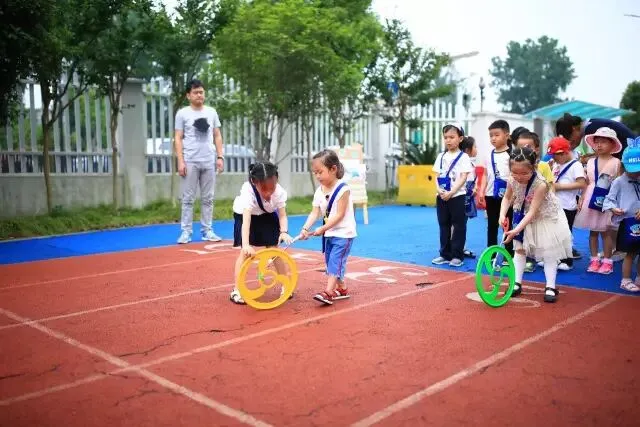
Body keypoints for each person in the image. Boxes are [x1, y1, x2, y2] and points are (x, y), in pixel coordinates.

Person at [500, 147, 573, 303]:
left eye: (524, 173)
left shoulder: (541, 184)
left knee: (548, 252)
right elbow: (507, 198)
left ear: (534, 167)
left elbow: (533, 211)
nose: (519, 177)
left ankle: (550, 286)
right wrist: (502, 214)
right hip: (522, 213)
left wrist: (516, 229)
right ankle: (516, 283)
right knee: (519, 249)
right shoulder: (512, 179)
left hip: (544, 217)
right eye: (515, 172)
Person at [229, 162, 294, 305]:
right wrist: (246, 245)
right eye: (264, 189)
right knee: (245, 253)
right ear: (254, 182)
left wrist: (283, 232)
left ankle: (286, 285)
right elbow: (246, 221)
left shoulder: (279, 192)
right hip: (245, 216)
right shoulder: (248, 191)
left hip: (266, 215)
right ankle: (237, 290)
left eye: (272, 188)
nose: (268, 193)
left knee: (275, 251)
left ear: (276, 180)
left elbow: (282, 215)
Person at [300, 149, 357, 306]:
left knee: (334, 261)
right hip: (329, 233)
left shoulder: (343, 189)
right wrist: (305, 228)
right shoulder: (319, 191)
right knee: (330, 262)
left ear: (333, 169)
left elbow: (339, 215)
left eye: (320, 172)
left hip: (344, 234)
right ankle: (342, 288)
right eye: (315, 173)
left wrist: (322, 229)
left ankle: (328, 292)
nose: (317, 176)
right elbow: (315, 213)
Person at [174, 79, 224, 244]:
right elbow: (178, 138)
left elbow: (217, 135)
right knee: (188, 198)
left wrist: (220, 157)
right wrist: (181, 161)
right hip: (190, 161)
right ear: (188, 95)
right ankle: (186, 232)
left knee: (208, 198)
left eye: (201, 92)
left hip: (209, 160)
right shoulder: (182, 114)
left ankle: (207, 230)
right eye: (195, 92)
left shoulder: (211, 112)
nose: (199, 95)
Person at [573, 127, 623, 274]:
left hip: (607, 199)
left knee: (606, 232)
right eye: (597, 142)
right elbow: (587, 182)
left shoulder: (616, 162)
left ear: (613, 144)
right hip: (591, 197)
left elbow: (619, 183)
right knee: (593, 231)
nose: (599, 145)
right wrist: (582, 197)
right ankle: (594, 259)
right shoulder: (590, 162)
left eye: (604, 142)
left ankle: (607, 261)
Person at [431, 124, 473, 267]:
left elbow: (463, 177)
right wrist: (439, 190)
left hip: (457, 196)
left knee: (459, 226)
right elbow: (436, 175)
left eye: (452, 137)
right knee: (444, 225)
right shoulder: (441, 156)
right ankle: (444, 254)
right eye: (446, 137)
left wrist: (452, 192)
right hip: (442, 196)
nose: (448, 140)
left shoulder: (464, 157)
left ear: (460, 138)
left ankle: (457, 255)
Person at [602, 136, 640, 292]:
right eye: (632, 170)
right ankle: (625, 279)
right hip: (627, 222)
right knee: (630, 252)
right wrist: (614, 209)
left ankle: (638, 277)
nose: (635, 173)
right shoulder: (619, 182)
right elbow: (608, 200)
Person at [548, 137, 587, 270]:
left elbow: (581, 183)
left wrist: (560, 186)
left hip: (567, 205)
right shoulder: (557, 164)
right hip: (555, 204)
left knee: (565, 233)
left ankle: (567, 260)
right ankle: (555, 258)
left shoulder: (576, 165)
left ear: (564, 153)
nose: (554, 158)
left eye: (555, 155)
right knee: (553, 233)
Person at [479, 119, 513, 262]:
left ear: (507, 135)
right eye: (491, 135)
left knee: (508, 225)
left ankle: (509, 255)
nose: (493, 138)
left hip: (507, 196)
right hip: (490, 195)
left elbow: (515, 176)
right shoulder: (489, 155)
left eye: (496, 135)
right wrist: (482, 191)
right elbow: (485, 174)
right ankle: (491, 254)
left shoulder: (511, 154)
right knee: (492, 225)